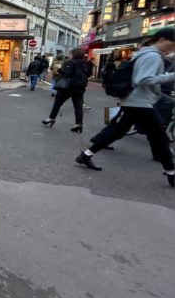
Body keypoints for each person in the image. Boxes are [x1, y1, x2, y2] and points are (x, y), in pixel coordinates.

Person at [75, 28, 175, 188]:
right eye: (172, 43)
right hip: (140, 101)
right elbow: (143, 79)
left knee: (118, 131)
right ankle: (171, 173)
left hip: (134, 100)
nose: (173, 48)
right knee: (159, 137)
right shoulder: (152, 56)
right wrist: (171, 76)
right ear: (162, 39)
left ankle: (86, 155)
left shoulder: (145, 53)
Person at [41, 48, 89, 132]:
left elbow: (68, 73)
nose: (69, 55)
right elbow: (89, 73)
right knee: (78, 106)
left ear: (73, 54)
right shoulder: (84, 63)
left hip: (69, 87)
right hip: (80, 87)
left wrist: (60, 69)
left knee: (57, 102)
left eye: (70, 53)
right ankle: (78, 124)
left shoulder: (70, 62)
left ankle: (51, 118)